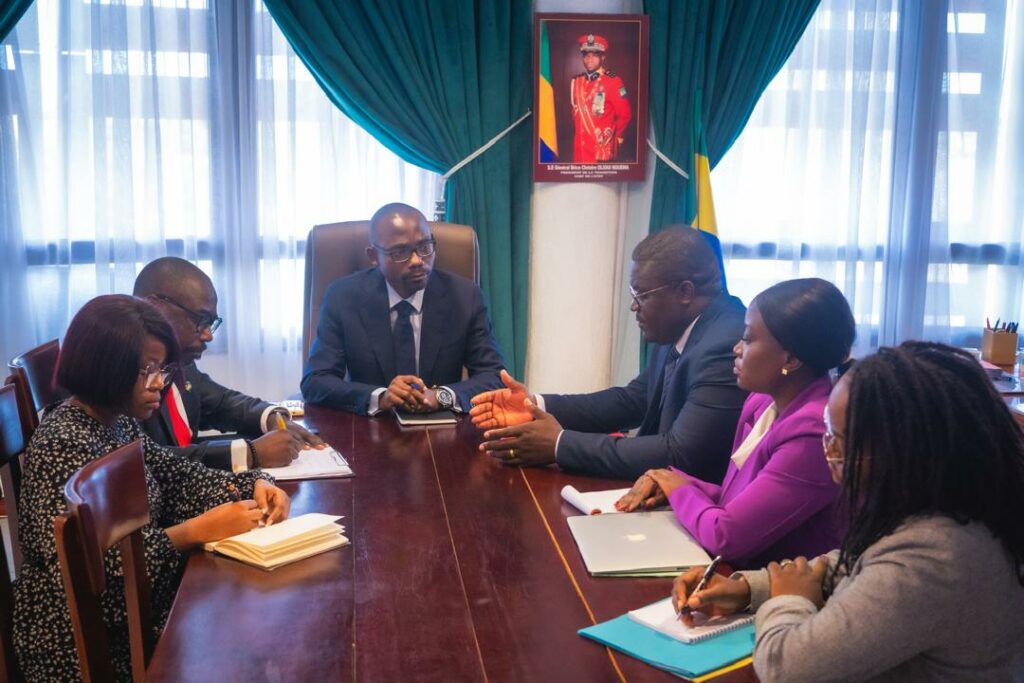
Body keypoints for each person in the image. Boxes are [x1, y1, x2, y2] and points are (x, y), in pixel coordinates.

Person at [672, 343, 1024, 682]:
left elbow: (786, 668)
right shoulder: (941, 509)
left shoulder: (935, 556)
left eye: (839, 439)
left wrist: (788, 599)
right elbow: (856, 565)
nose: (828, 450)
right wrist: (749, 588)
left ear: (904, 449)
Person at [13, 295, 291, 681]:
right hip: (82, 645)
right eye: (147, 370)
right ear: (106, 366)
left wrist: (255, 484)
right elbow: (91, 577)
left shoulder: (117, 421)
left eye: (161, 369)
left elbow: (178, 477)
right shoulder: (63, 442)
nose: (160, 382)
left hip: (137, 612)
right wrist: (193, 531)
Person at [472, 226, 747, 484]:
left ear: (685, 292)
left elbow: (679, 454)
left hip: (699, 502)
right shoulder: (682, 323)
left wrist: (559, 444)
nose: (634, 307)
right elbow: (634, 400)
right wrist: (534, 405)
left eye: (642, 295)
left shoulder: (724, 345)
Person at [615, 278, 854, 568]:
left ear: (790, 359)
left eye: (748, 339)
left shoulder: (813, 432)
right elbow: (735, 501)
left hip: (783, 583)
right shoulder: (762, 401)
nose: (737, 349)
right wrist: (671, 481)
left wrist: (679, 489)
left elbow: (726, 536)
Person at [301, 202, 506, 415]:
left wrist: (440, 396)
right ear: (374, 257)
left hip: (441, 424)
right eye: (400, 252)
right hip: (370, 425)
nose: (418, 261)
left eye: (425, 247)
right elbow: (315, 381)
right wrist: (380, 397)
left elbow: (494, 376)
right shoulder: (343, 297)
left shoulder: (464, 296)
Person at [134, 257, 323, 471]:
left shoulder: (181, 365)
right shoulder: (119, 371)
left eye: (211, 323)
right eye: (200, 320)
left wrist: (272, 417)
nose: (208, 336)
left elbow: (222, 403)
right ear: (156, 308)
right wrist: (249, 454)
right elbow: (144, 461)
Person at [570, 33, 632, 163]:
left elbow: (625, 115)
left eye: (594, 55)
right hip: (580, 151)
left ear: (603, 57)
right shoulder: (577, 82)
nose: (589, 59)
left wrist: (613, 140)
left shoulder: (614, 82)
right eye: (586, 55)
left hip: (601, 152)